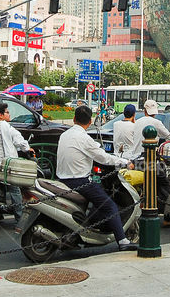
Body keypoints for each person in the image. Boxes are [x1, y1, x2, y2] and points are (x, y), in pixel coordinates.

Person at [56, 106, 137, 252]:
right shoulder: (84, 138)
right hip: (79, 181)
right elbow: (103, 158)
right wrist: (124, 162)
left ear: (74, 119)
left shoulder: (64, 135)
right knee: (110, 206)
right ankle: (123, 241)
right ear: (90, 121)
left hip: (62, 178)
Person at [0, 102, 35, 219]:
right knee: (14, 188)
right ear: (0, 115)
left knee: (3, 188)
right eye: (7, 112)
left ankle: (1, 211)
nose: (9, 115)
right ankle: (20, 217)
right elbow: (17, 138)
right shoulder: (3, 125)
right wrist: (27, 148)